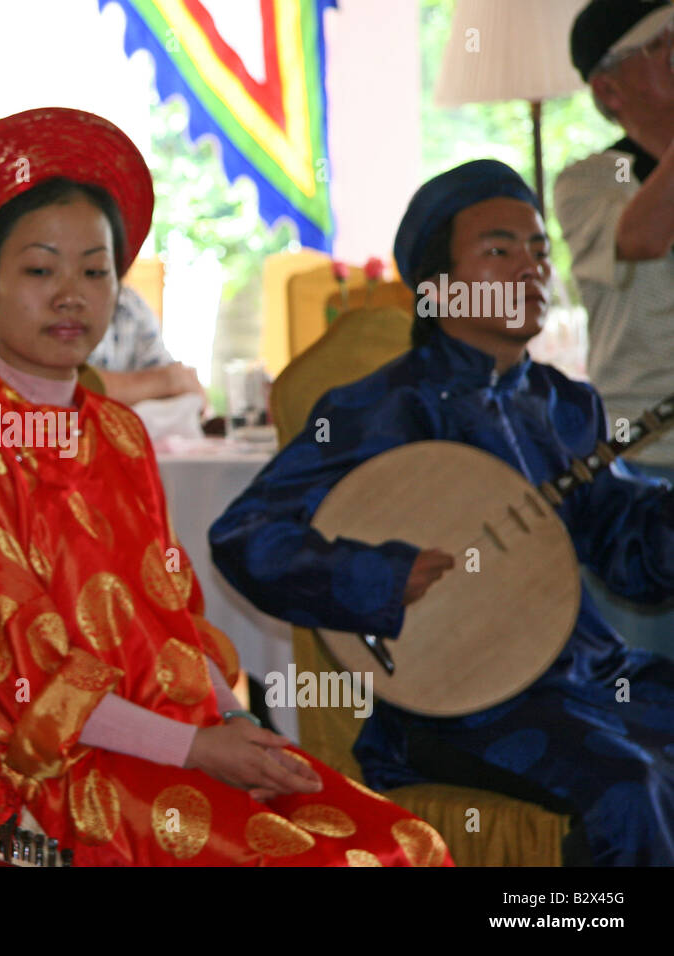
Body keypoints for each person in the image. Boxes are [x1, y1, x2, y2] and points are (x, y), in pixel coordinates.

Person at [0, 107, 453, 867]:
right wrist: (197, 749)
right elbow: (17, 684)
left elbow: (171, 616)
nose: (71, 295)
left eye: (95, 270)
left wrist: (233, 729)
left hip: (176, 739)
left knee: (408, 842)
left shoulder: (118, 432)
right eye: (39, 269)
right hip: (38, 779)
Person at [210, 159, 674, 866]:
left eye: (540, 250)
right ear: (436, 286)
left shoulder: (565, 404)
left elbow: (629, 551)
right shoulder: (380, 408)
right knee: (628, 785)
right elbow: (245, 535)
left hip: (588, 674)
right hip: (460, 706)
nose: (531, 269)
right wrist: (379, 577)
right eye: (500, 250)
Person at [556, 0, 674, 654]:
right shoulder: (590, 181)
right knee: (645, 691)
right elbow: (644, 235)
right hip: (643, 466)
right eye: (660, 46)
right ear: (608, 88)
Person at [87, 286, 205, 406]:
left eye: (97, 273)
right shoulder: (71, 306)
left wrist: (174, 380)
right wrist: (166, 380)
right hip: (72, 422)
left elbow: (184, 383)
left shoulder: (130, 302)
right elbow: (76, 386)